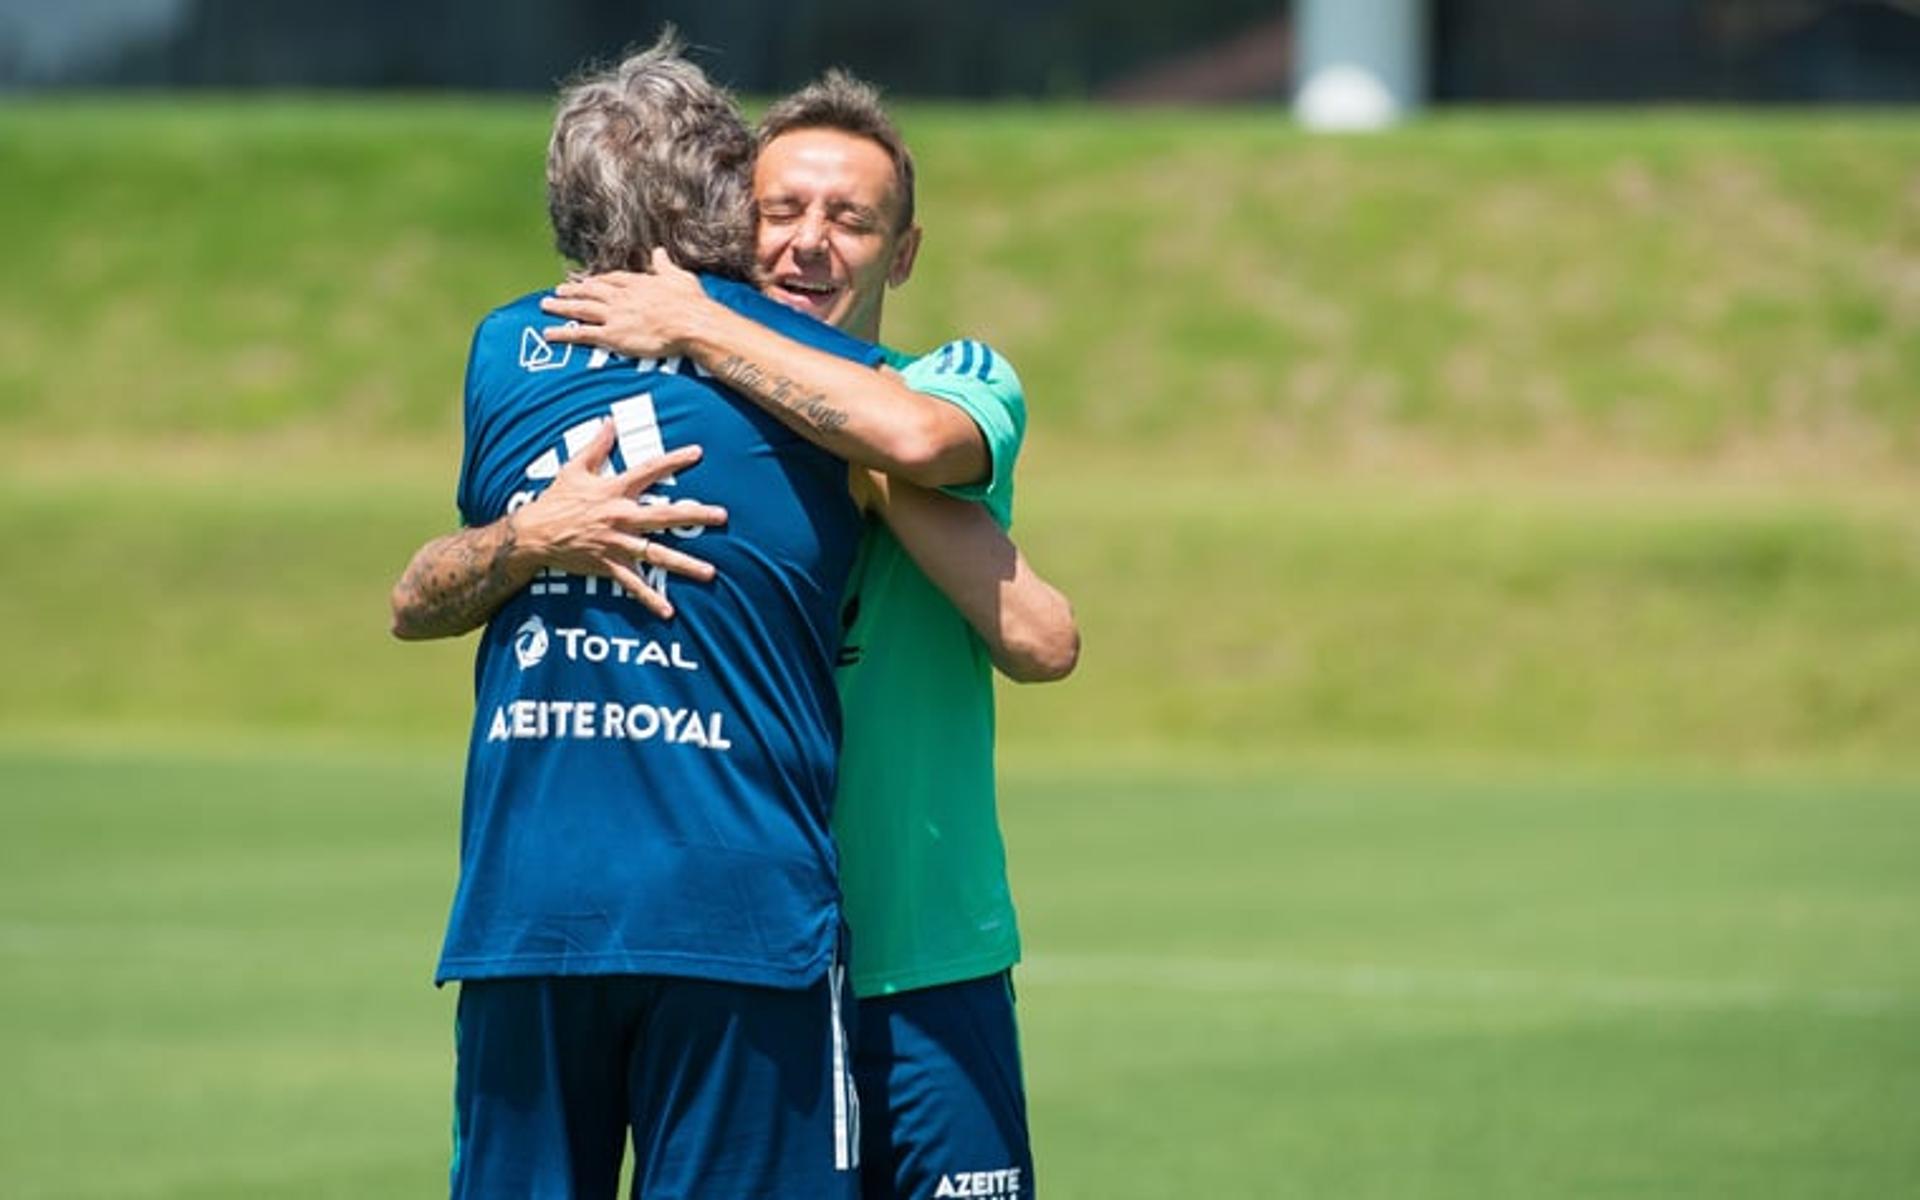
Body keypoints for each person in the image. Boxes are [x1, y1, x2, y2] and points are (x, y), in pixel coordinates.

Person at [538, 72, 1076, 1200]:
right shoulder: (696, 415)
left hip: (930, 958)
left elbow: (1023, 608)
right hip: (753, 968)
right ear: (736, 226)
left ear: (905, 250)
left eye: (851, 219)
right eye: (781, 213)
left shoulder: (954, 379)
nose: (810, 244)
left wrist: (698, 321)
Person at [389, 35, 880, 1199]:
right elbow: (922, 439)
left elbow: (417, 597)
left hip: (528, 908)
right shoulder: (814, 359)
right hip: (739, 913)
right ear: (721, 194)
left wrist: (526, 539)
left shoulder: (502, 352)